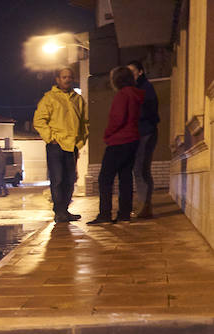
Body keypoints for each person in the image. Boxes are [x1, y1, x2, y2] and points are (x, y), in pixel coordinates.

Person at [87, 66, 144, 225]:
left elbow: (117, 118)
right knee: (125, 177)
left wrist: (108, 134)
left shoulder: (122, 95)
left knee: (105, 178)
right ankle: (124, 214)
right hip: (133, 139)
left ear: (117, 79)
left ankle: (105, 214)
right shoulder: (136, 95)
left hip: (119, 141)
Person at [33, 67, 89, 223]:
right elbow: (39, 121)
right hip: (56, 146)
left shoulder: (78, 99)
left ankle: (65, 210)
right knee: (57, 179)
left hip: (72, 146)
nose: (67, 79)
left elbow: (85, 122)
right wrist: (51, 138)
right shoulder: (49, 98)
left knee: (70, 179)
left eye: (70, 77)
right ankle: (59, 212)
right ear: (57, 79)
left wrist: (81, 141)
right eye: (64, 77)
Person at [127, 60, 160, 218]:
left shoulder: (145, 88)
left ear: (140, 72)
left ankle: (144, 207)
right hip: (142, 132)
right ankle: (145, 206)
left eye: (132, 72)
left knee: (139, 170)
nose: (130, 76)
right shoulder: (138, 88)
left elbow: (148, 111)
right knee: (142, 170)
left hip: (145, 132)